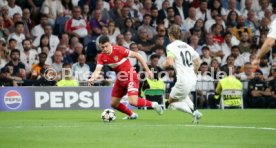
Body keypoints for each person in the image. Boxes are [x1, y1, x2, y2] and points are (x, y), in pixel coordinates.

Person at [88, 35, 163, 120]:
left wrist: (148, 70)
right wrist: (92, 78)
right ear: (100, 47)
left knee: (133, 102)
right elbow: (97, 70)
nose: (105, 49)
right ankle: (132, 115)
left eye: (106, 46)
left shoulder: (119, 50)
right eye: (102, 47)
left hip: (131, 77)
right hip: (120, 80)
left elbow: (138, 55)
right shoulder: (101, 57)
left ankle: (154, 104)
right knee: (113, 104)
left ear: (110, 44)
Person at [162, 25, 202, 124]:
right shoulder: (188, 46)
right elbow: (197, 61)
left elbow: (169, 62)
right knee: (183, 96)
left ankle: (194, 113)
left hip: (182, 79)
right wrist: (195, 73)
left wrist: (163, 64)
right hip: (192, 78)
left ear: (170, 35)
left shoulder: (170, 46)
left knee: (170, 103)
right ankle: (194, 110)